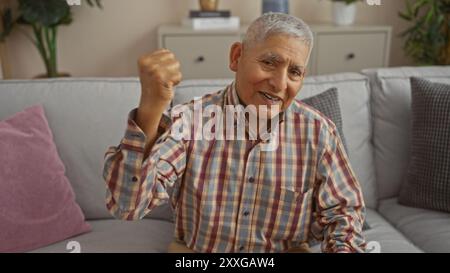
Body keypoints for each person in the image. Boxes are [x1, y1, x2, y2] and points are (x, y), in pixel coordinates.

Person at [103, 13, 366, 253]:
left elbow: (344, 216)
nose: (279, 83)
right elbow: (129, 206)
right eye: (269, 62)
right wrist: (150, 108)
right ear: (236, 57)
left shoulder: (318, 132)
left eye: (294, 72)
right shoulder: (190, 121)